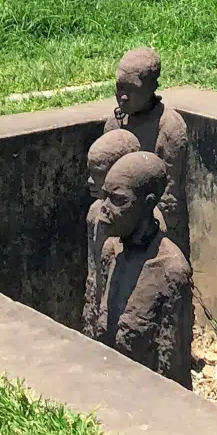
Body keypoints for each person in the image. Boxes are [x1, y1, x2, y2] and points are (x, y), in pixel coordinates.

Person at [92, 150, 194, 386]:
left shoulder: (171, 271)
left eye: (118, 200)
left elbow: (173, 372)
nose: (103, 208)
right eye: (104, 196)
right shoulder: (112, 252)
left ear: (146, 205)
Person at [104, 45, 189, 252]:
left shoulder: (169, 127)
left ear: (151, 88)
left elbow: (169, 195)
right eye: (120, 88)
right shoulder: (115, 124)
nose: (123, 96)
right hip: (119, 213)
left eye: (132, 90)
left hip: (155, 219)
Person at [83, 128, 141, 337]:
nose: (90, 181)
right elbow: (94, 267)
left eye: (98, 175)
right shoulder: (94, 213)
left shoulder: (140, 220)